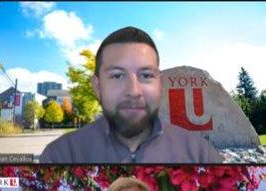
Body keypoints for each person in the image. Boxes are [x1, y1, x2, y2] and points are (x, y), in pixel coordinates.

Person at [40, 26, 223, 163]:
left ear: (159, 84)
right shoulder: (61, 155)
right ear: (97, 86)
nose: (133, 91)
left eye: (146, 75)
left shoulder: (200, 153)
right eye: (117, 75)